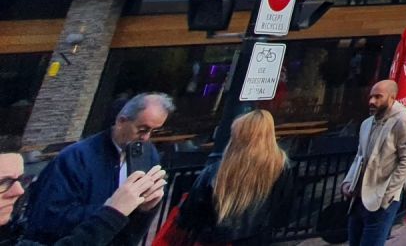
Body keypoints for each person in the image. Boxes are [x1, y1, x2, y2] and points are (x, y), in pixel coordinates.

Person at [24, 93, 174, 246]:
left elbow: (138, 221)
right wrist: (114, 209)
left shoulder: (149, 154)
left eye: (153, 132)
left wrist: (147, 208)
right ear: (121, 121)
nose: (146, 138)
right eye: (142, 130)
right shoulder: (75, 157)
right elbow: (47, 218)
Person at [162, 110, 294, 246]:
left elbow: (191, 211)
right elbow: (282, 207)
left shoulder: (216, 170)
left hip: (215, 237)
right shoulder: (280, 167)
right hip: (257, 237)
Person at [0, 151, 166, 246]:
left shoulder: (11, 234)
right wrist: (113, 213)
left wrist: (140, 211)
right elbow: (52, 217)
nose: (19, 191)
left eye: (21, 180)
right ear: (122, 120)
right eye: (3, 182)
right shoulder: (74, 158)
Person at [342, 80, 406, 246]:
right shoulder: (366, 123)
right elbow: (359, 156)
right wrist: (348, 181)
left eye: (378, 97)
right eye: (371, 97)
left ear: (392, 98)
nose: (372, 101)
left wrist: (387, 194)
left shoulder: (404, 121)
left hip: (382, 199)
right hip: (358, 197)